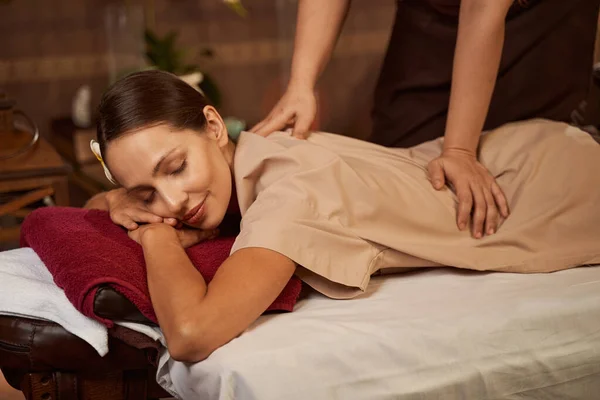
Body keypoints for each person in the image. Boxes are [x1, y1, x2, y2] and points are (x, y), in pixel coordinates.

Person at [86, 71, 600, 363]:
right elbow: (86, 212)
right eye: (146, 193)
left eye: (176, 168)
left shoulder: (287, 196)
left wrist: (157, 238)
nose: (173, 203)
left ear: (214, 126)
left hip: (556, 187)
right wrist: (114, 201)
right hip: (522, 154)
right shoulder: (257, 148)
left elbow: (192, 335)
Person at [250, 0, 600, 239]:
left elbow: (482, 8)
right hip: (428, 33)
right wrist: (301, 83)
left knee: (529, 193)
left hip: (538, 36)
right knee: (401, 193)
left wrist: (460, 149)